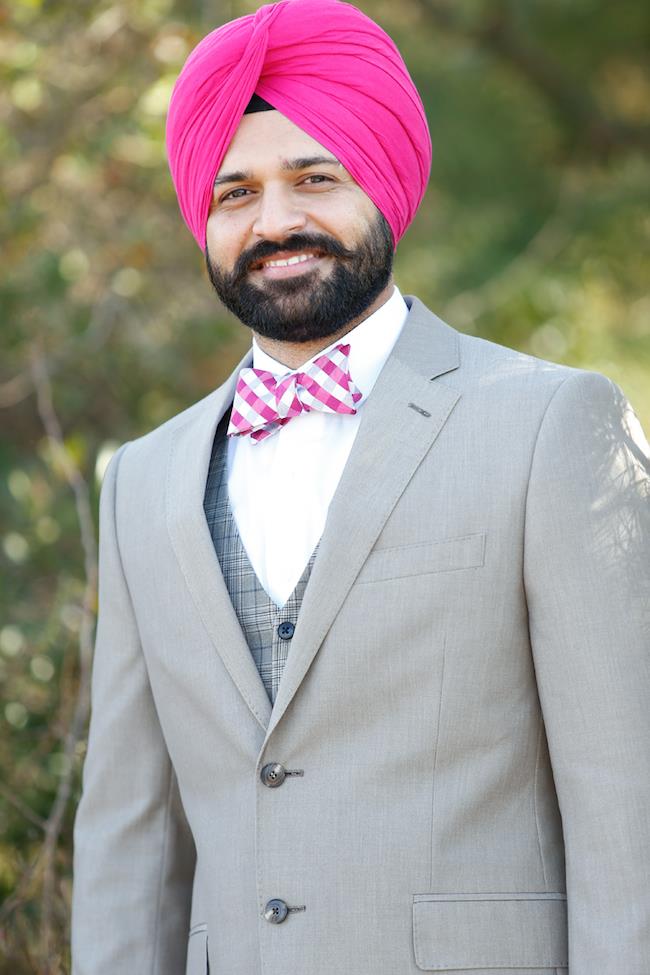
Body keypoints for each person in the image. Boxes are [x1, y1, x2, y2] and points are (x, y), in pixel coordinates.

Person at [71, 1, 650, 973]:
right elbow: (130, 847)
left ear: (380, 181)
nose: (276, 221)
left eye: (313, 178)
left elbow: (626, 806)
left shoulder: (550, 422)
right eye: (234, 193)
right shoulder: (141, 480)